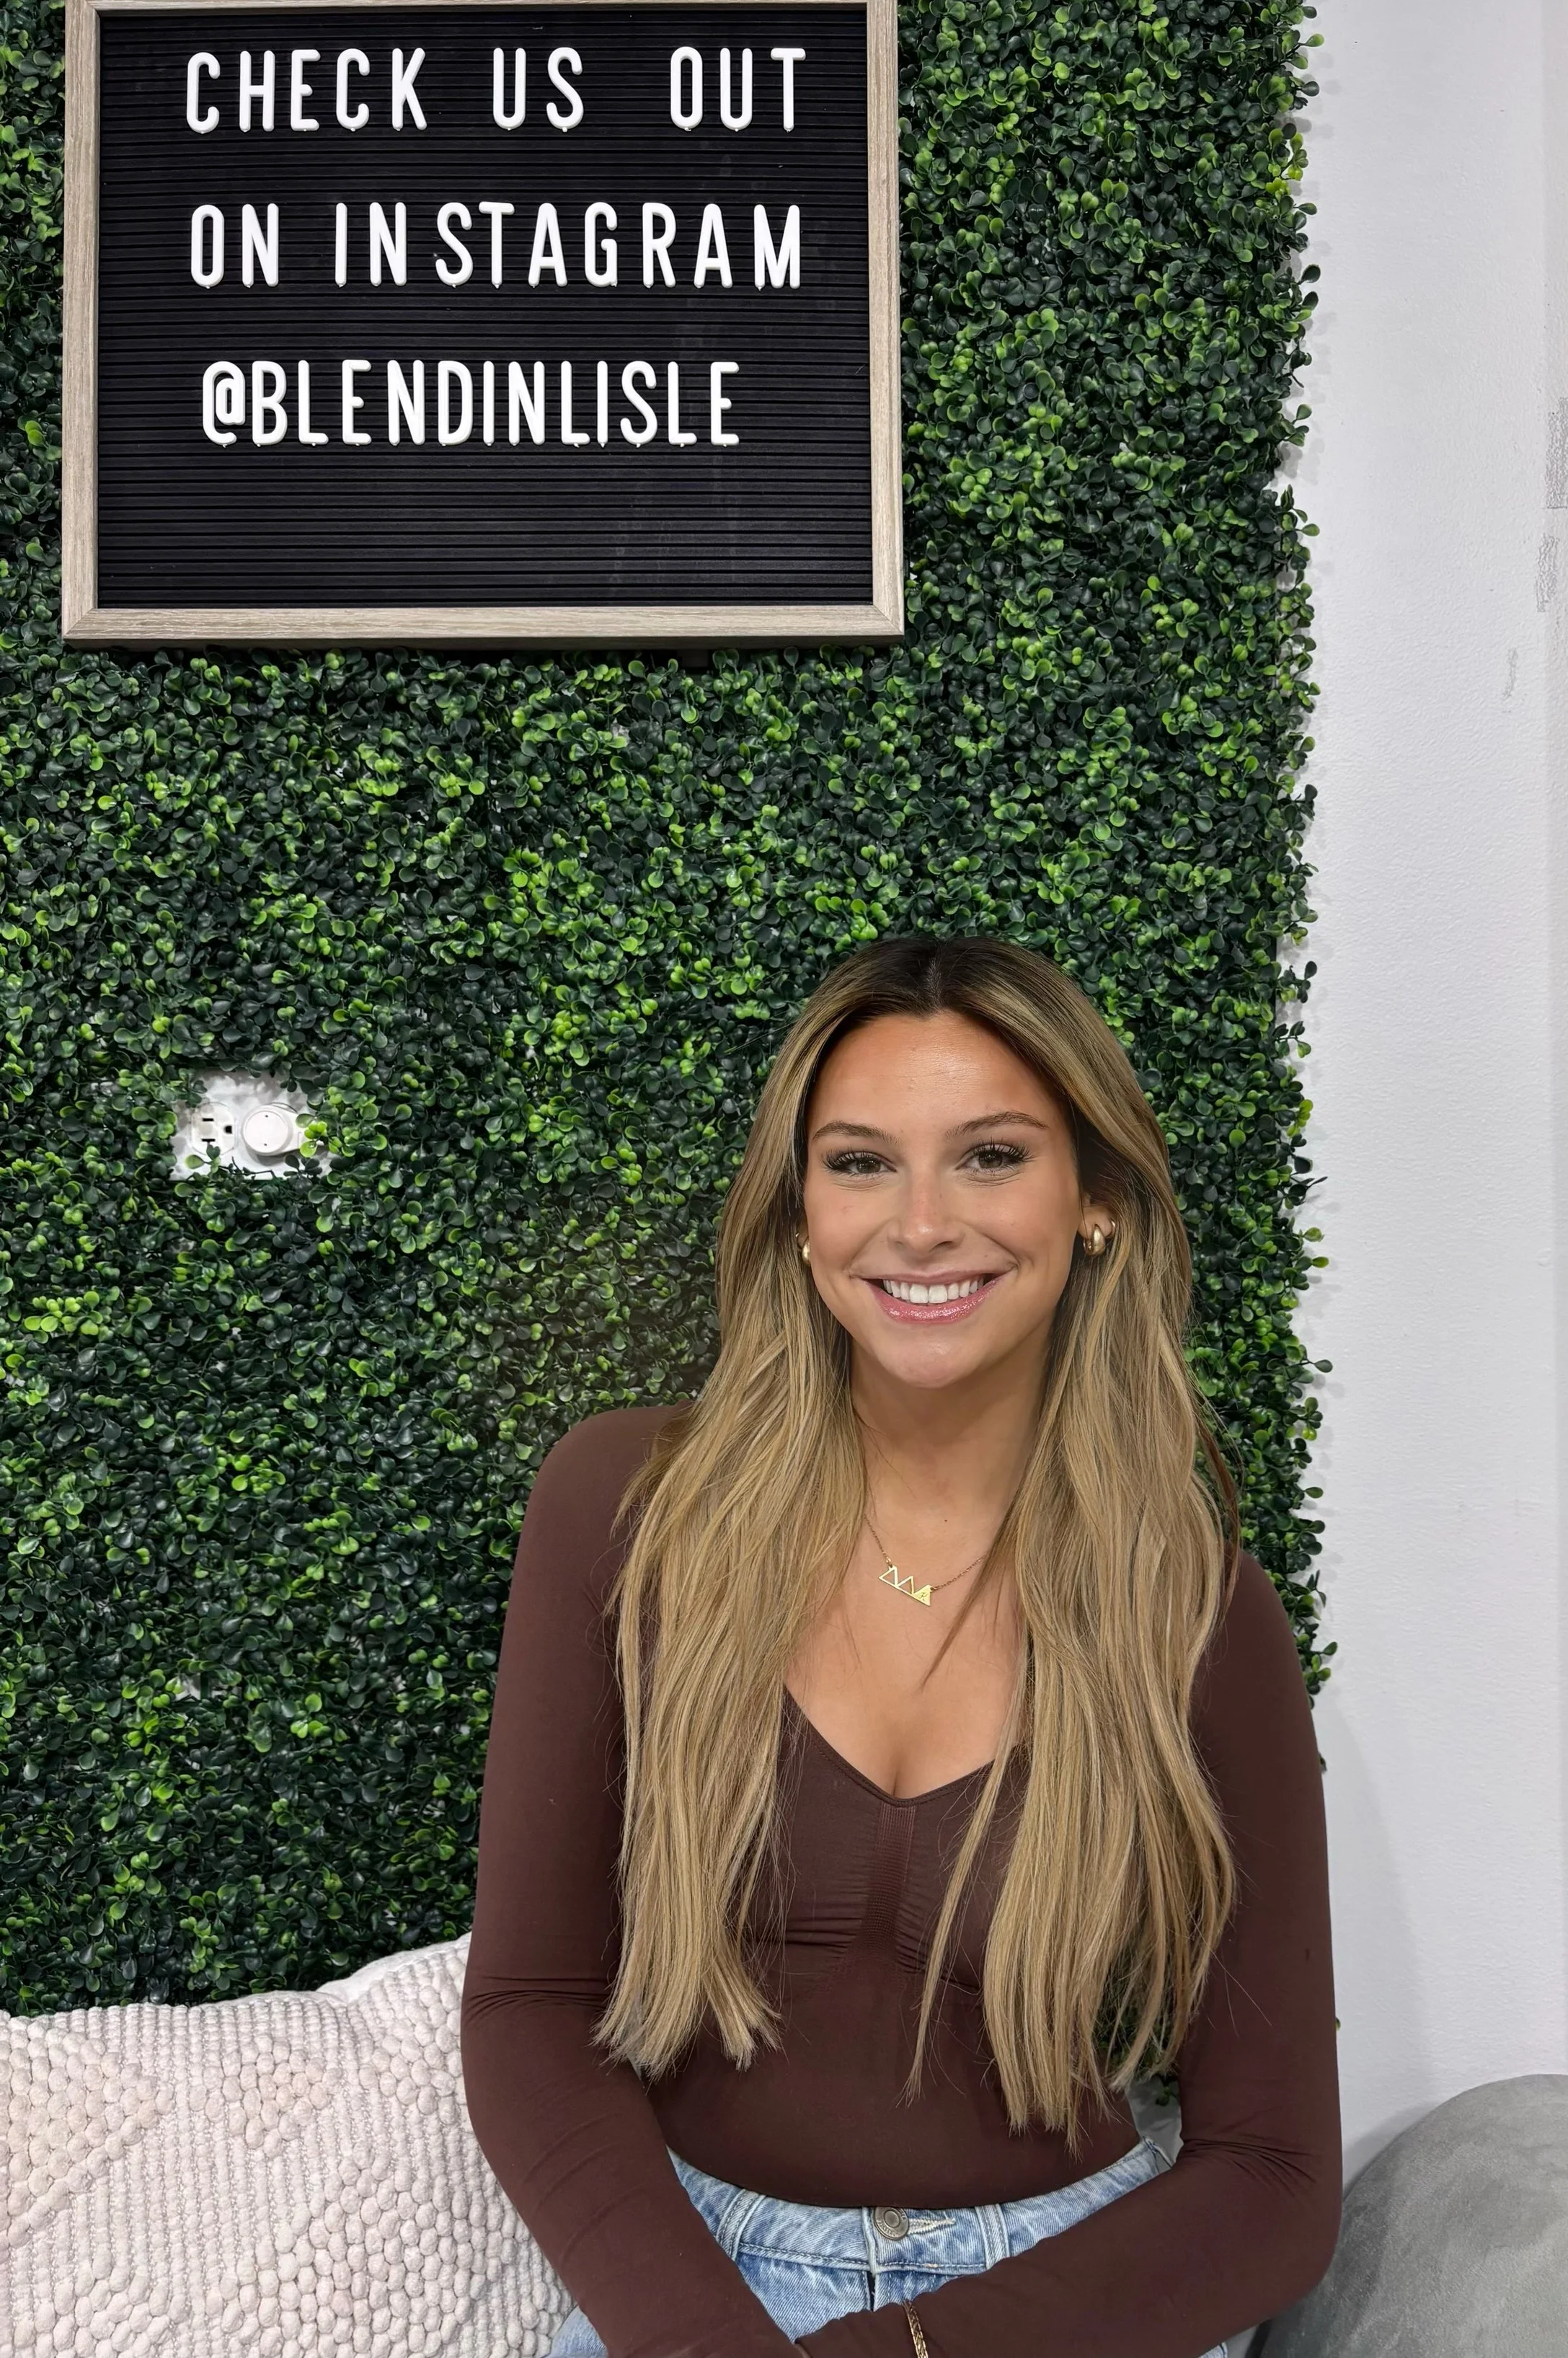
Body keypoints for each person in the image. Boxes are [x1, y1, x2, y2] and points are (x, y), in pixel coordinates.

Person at [462, 936, 1339, 2358]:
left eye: (989, 1156)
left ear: (1096, 1202)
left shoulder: (1196, 1613)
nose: (919, 1222)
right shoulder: (627, 1512)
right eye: (861, 1163)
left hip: (1057, 2302)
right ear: (799, 1214)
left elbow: (1273, 2176)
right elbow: (525, 2008)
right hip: (703, 2287)